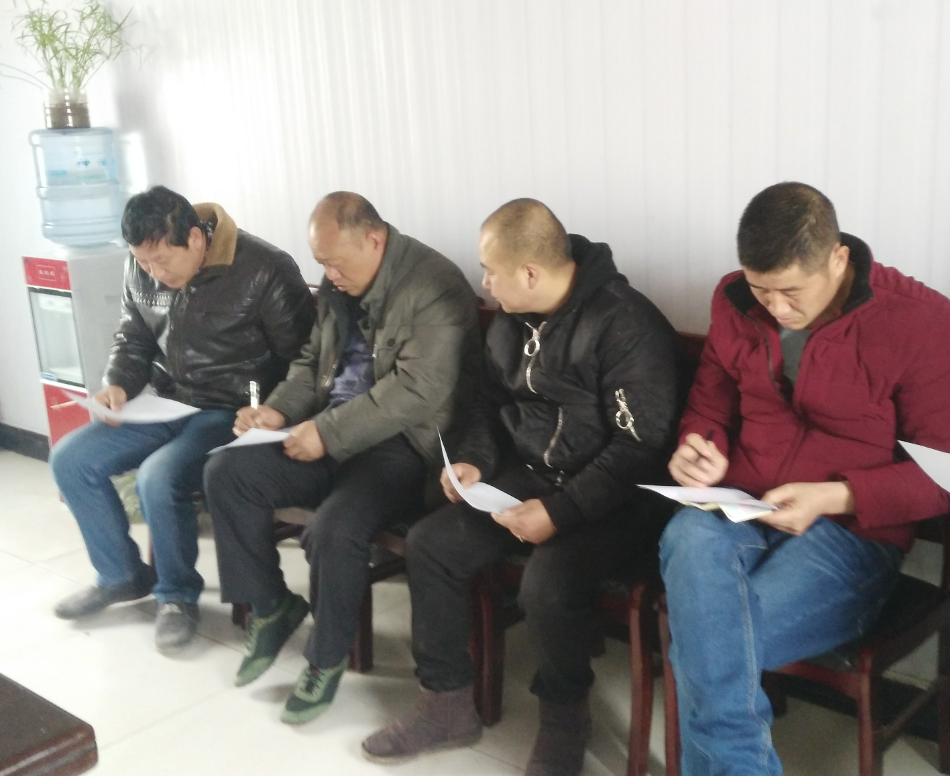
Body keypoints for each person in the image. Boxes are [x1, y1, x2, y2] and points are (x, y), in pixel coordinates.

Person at [658, 182, 950, 776]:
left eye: (790, 293)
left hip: (851, 535)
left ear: (837, 259)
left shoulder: (920, 319)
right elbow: (709, 402)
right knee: (685, 535)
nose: (776, 309)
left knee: (705, 642)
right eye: (762, 291)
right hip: (743, 505)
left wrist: (837, 495)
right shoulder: (732, 300)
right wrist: (699, 446)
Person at [360, 199, 678, 776]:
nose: (483, 283)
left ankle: (564, 720)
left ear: (529, 272)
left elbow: (639, 447)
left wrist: (560, 511)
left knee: (548, 583)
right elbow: (485, 403)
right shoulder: (511, 318)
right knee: (431, 544)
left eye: (490, 272)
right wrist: (475, 462)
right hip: (532, 473)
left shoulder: (626, 324)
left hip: (617, 495)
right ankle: (446, 704)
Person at [204, 192, 481, 724]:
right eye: (322, 264)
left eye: (335, 263)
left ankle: (325, 659)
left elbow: (416, 391)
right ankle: (271, 606)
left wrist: (326, 435)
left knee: (334, 528)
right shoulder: (339, 285)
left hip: (402, 446)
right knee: (227, 471)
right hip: (328, 428)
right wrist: (279, 412)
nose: (328, 276)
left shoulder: (433, 286)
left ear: (374, 240)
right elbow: (312, 361)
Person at [48, 185, 314, 653]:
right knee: (70, 458)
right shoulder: (141, 263)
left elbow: (305, 359)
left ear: (194, 238)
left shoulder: (264, 268)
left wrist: (275, 410)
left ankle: (175, 597)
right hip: (166, 403)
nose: (153, 272)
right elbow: (133, 337)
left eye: (161, 261)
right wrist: (117, 384)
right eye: (143, 262)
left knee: (158, 476)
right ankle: (121, 575)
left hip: (232, 412)